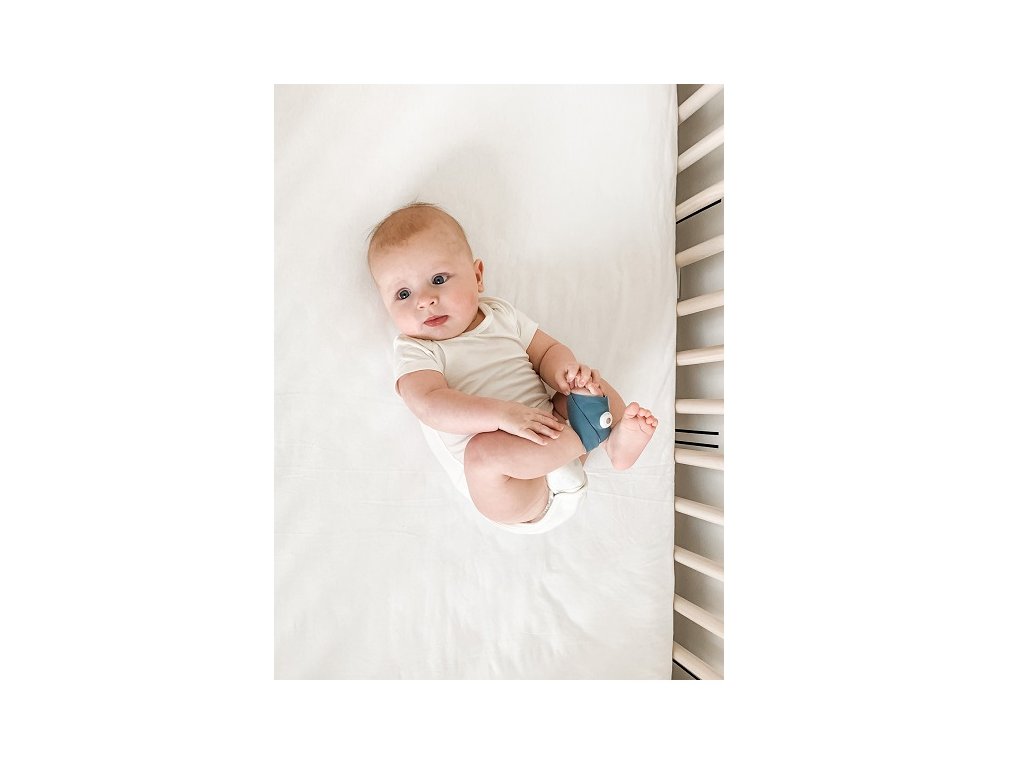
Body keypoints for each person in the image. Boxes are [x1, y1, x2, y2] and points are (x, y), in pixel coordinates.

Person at [367, 202, 658, 531]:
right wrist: (501, 415)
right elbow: (430, 404)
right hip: (515, 490)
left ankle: (616, 445)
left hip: (553, 436)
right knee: (481, 453)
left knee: (589, 383)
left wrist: (565, 373)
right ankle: (590, 436)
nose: (424, 300)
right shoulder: (416, 349)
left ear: (477, 276)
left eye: (437, 279)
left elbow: (546, 351)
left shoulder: (500, 315)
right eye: (403, 294)